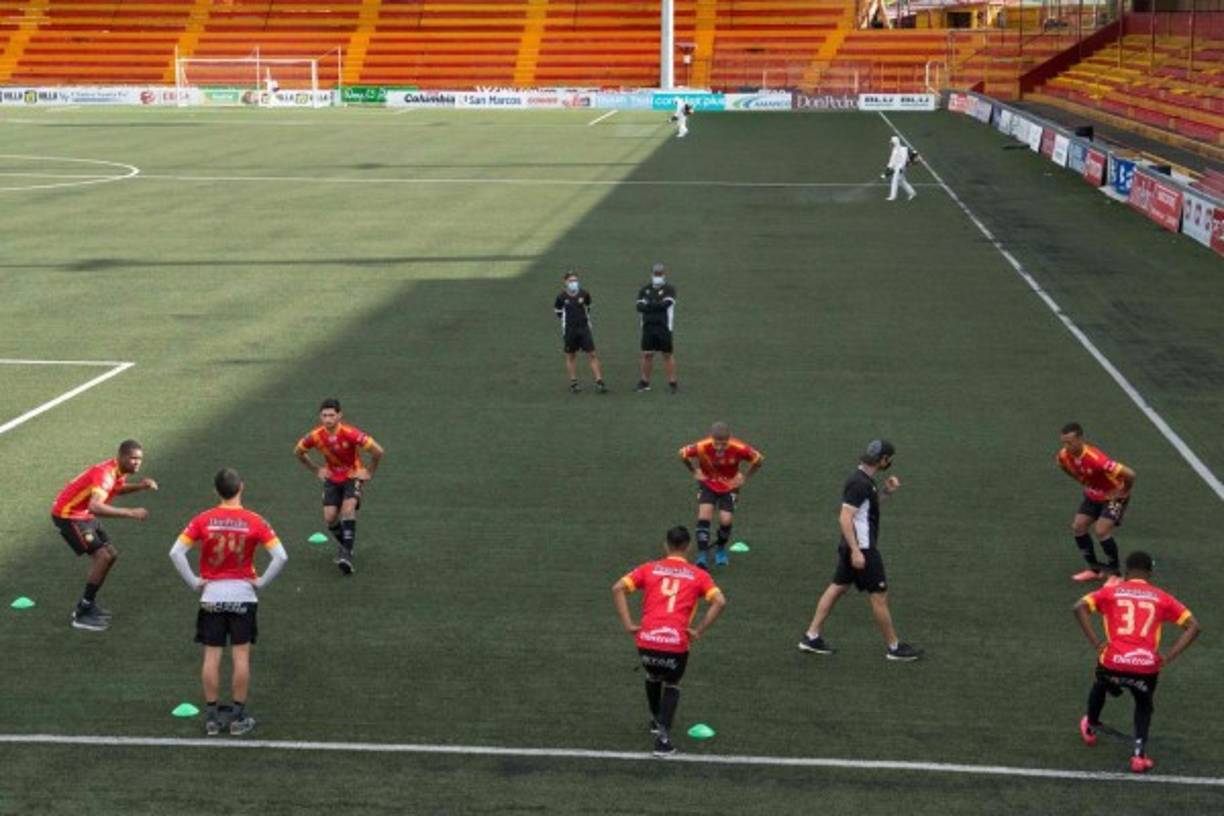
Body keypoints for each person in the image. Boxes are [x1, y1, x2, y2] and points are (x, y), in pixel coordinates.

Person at [170, 468, 288, 736]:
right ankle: (238, 716)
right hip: (243, 596)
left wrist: (194, 581)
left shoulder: (203, 519)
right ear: (241, 488)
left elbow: (176, 552)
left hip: (211, 596)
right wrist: (260, 582)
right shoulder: (255, 521)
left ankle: (212, 717)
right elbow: (281, 557)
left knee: (211, 655)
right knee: (241, 656)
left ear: (216, 491)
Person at [1073, 550, 1200, 773]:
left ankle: (1091, 726)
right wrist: (1168, 656)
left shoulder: (1111, 592)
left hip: (1113, 661)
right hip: (1146, 666)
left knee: (1100, 682)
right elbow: (1194, 627)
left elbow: (1079, 608)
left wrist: (1097, 644)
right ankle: (1139, 756)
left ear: (1126, 570)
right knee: (1143, 705)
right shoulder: (1162, 597)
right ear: (1150, 573)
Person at [798, 439, 922, 661]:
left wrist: (886, 492)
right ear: (883, 460)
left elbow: (865, 510)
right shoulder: (860, 484)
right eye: (889, 459)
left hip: (852, 546)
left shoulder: (866, 481)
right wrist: (856, 551)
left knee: (837, 588)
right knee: (879, 596)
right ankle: (894, 647)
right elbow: (845, 518)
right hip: (862, 549)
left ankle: (811, 636)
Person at [612, 525, 726, 756]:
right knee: (672, 684)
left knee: (653, 674)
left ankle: (655, 721)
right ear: (689, 546)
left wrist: (628, 624)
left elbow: (618, 588)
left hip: (646, 641)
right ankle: (663, 741)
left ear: (666, 545)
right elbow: (720, 601)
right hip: (675, 644)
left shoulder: (649, 568)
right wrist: (699, 630)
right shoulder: (698, 575)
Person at [51, 439, 157, 631]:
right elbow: (95, 505)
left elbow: (115, 489)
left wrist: (140, 486)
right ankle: (82, 612)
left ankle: (88, 604)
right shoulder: (106, 474)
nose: (137, 463)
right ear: (122, 457)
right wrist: (131, 512)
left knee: (111, 554)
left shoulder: (117, 470)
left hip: (82, 514)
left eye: (140, 459)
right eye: (133, 458)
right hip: (68, 515)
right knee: (102, 556)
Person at [295, 398, 384, 575]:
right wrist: (316, 470)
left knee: (347, 509)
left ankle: (346, 556)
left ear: (339, 415)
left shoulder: (350, 433)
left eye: (331, 415)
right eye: (324, 415)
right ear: (320, 416)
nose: (328, 419)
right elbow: (298, 452)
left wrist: (369, 472)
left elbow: (378, 451)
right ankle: (346, 546)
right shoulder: (315, 436)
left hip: (352, 474)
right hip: (333, 477)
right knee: (329, 518)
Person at [1057, 422, 1136, 582]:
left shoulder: (1097, 460)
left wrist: (1123, 491)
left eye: (1069, 442)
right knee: (1078, 527)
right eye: (1063, 442)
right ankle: (1095, 569)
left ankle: (1115, 574)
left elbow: (1130, 474)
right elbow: (1063, 467)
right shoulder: (1064, 455)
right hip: (1093, 495)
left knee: (1101, 530)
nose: (1066, 446)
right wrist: (1082, 481)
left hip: (1113, 496)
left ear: (1080, 439)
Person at [678, 422, 764, 569]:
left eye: (723, 444)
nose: (719, 448)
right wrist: (694, 471)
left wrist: (744, 478)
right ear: (711, 438)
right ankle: (702, 554)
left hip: (729, 487)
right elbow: (682, 454)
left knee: (725, 520)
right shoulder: (702, 446)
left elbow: (759, 459)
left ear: (729, 439)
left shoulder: (739, 448)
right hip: (708, 484)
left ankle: (720, 549)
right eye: (716, 444)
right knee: (704, 516)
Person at [554, 271, 607, 394]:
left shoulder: (584, 294)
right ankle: (573, 382)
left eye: (575, 280)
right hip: (569, 330)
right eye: (571, 281)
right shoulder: (561, 297)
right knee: (571, 356)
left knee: (592, 354)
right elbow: (558, 312)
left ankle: (599, 381)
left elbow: (588, 308)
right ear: (565, 282)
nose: (574, 283)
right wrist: (567, 322)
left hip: (584, 329)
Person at [635, 262, 678, 394]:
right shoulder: (644, 290)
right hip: (648, 327)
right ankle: (645, 382)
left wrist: (650, 304)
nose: (657, 276)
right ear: (652, 274)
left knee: (667, 355)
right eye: (655, 274)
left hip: (664, 327)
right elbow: (639, 307)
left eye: (660, 274)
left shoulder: (669, 289)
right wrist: (656, 304)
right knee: (647, 354)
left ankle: (672, 382)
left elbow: (666, 305)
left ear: (664, 275)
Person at [884, 136, 917, 201]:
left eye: (892, 143)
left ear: (895, 143)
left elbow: (903, 159)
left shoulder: (902, 149)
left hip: (900, 169)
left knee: (894, 181)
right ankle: (912, 193)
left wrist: (901, 168)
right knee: (902, 181)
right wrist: (888, 169)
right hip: (898, 168)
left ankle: (893, 196)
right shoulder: (896, 150)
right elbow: (892, 161)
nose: (891, 144)